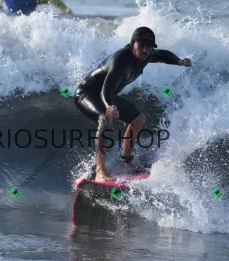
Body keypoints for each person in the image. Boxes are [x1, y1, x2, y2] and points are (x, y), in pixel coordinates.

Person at [74, 27, 192, 182]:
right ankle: (100, 171)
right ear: (132, 43)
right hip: (88, 93)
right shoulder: (120, 61)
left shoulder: (146, 55)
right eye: (142, 45)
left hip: (107, 95)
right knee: (105, 117)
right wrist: (109, 106)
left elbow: (163, 54)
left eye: (149, 47)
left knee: (138, 119)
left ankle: (125, 161)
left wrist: (179, 61)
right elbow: (105, 90)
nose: (146, 50)